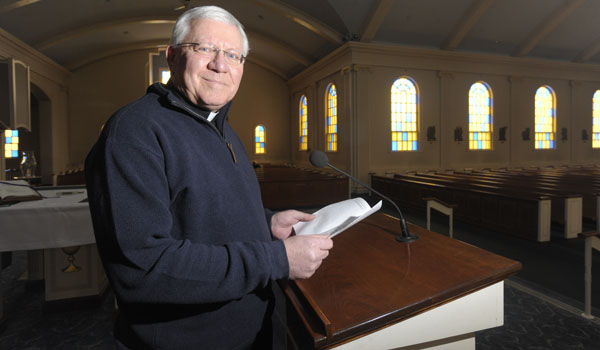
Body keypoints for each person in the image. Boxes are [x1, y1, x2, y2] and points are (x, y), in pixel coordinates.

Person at [85, 5, 333, 349]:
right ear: (171, 56)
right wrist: (277, 259)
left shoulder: (224, 129)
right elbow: (143, 269)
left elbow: (205, 213)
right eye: (204, 49)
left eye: (233, 54)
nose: (221, 64)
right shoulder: (134, 132)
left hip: (252, 329)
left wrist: (267, 223)